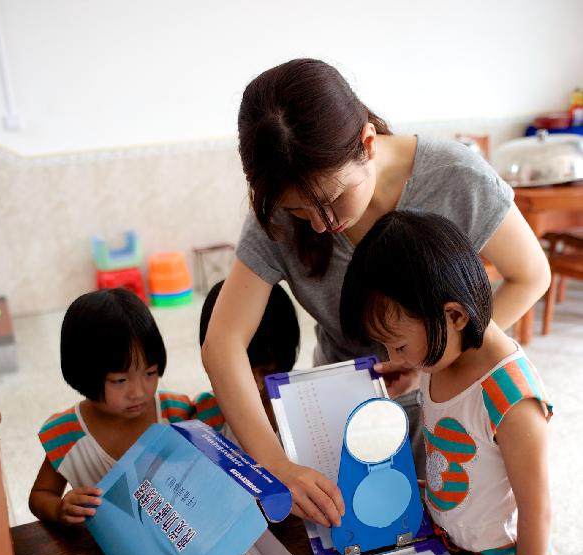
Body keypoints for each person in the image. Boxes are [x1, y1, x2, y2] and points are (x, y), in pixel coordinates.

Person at [201, 58, 550, 529]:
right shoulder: (280, 210)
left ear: (367, 143)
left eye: (333, 199)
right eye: (302, 212)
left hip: (448, 399)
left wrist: (436, 352)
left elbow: (531, 275)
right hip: (342, 406)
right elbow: (222, 344)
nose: (322, 224)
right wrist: (275, 465)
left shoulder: (453, 177)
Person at [340, 209, 553, 555]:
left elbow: (537, 510)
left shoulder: (511, 397)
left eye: (400, 346)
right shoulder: (439, 362)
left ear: (454, 316)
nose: (392, 357)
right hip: (453, 548)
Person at [29, 288, 224, 525]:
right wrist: (60, 508)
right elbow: (40, 496)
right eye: (120, 380)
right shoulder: (68, 436)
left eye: (150, 373)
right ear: (83, 373)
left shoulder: (177, 413)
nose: (139, 392)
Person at [199, 279, 300, 441]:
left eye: (268, 371)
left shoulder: (307, 400)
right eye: (242, 373)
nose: (258, 386)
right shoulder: (209, 414)